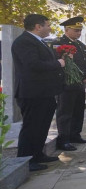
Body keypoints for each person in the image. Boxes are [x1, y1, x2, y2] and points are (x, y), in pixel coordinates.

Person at [12, 14, 65, 171]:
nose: (50, 28)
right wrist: (57, 63)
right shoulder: (24, 42)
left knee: (42, 126)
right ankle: (26, 160)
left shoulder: (38, 41)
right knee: (31, 127)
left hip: (44, 92)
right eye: (47, 25)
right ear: (38, 26)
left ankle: (38, 154)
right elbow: (33, 64)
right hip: (32, 93)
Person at [55, 16, 86, 151]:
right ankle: (64, 139)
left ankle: (75, 134)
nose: (79, 33)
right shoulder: (59, 43)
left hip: (80, 83)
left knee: (78, 111)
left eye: (80, 30)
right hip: (67, 84)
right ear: (67, 29)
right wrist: (84, 74)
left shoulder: (80, 45)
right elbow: (69, 65)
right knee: (65, 112)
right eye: (76, 30)